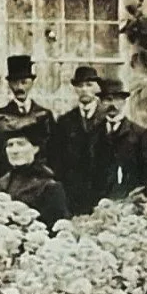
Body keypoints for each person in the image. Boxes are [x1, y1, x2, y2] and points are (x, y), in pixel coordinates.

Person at [49, 65, 105, 216]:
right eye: (80, 86)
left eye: (89, 85)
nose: (84, 89)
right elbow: (56, 157)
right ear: (74, 88)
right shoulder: (65, 121)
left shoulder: (107, 118)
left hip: (103, 190)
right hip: (73, 193)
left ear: (97, 87)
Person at [92, 76, 147, 202]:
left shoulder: (140, 135)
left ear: (124, 101)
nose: (112, 104)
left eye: (117, 99)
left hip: (131, 202)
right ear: (101, 102)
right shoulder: (93, 134)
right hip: (99, 203)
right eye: (107, 99)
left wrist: (141, 200)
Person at [0, 132, 69, 230]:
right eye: (10, 145)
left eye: (21, 144)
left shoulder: (49, 187)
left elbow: (59, 230)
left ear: (36, 148)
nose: (14, 151)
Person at [0, 54, 55, 177]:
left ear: (32, 83)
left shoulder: (44, 115)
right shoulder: (0, 117)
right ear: (9, 84)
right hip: (10, 178)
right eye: (15, 82)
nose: (19, 87)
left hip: (39, 178)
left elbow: (53, 151)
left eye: (24, 82)